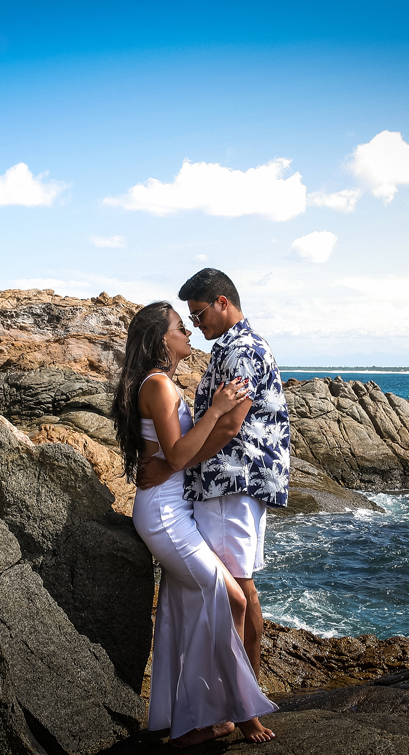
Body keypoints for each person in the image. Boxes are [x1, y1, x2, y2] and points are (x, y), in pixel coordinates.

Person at [113, 301, 279, 747]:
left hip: (175, 510)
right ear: (161, 339)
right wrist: (217, 407)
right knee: (234, 602)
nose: (187, 331)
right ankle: (237, 712)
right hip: (165, 516)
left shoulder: (161, 383)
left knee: (185, 610)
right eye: (178, 326)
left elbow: (173, 455)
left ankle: (199, 718)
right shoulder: (159, 387)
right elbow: (181, 455)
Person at [138, 269, 290, 683]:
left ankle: (242, 698)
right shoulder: (242, 345)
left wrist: (170, 464)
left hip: (230, 483)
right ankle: (249, 694)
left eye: (200, 313)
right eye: (188, 318)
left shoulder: (240, 350)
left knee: (237, 592)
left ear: (223, 302)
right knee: (242, 590)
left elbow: (229, 425)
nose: (196, 324)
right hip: (236, 483)